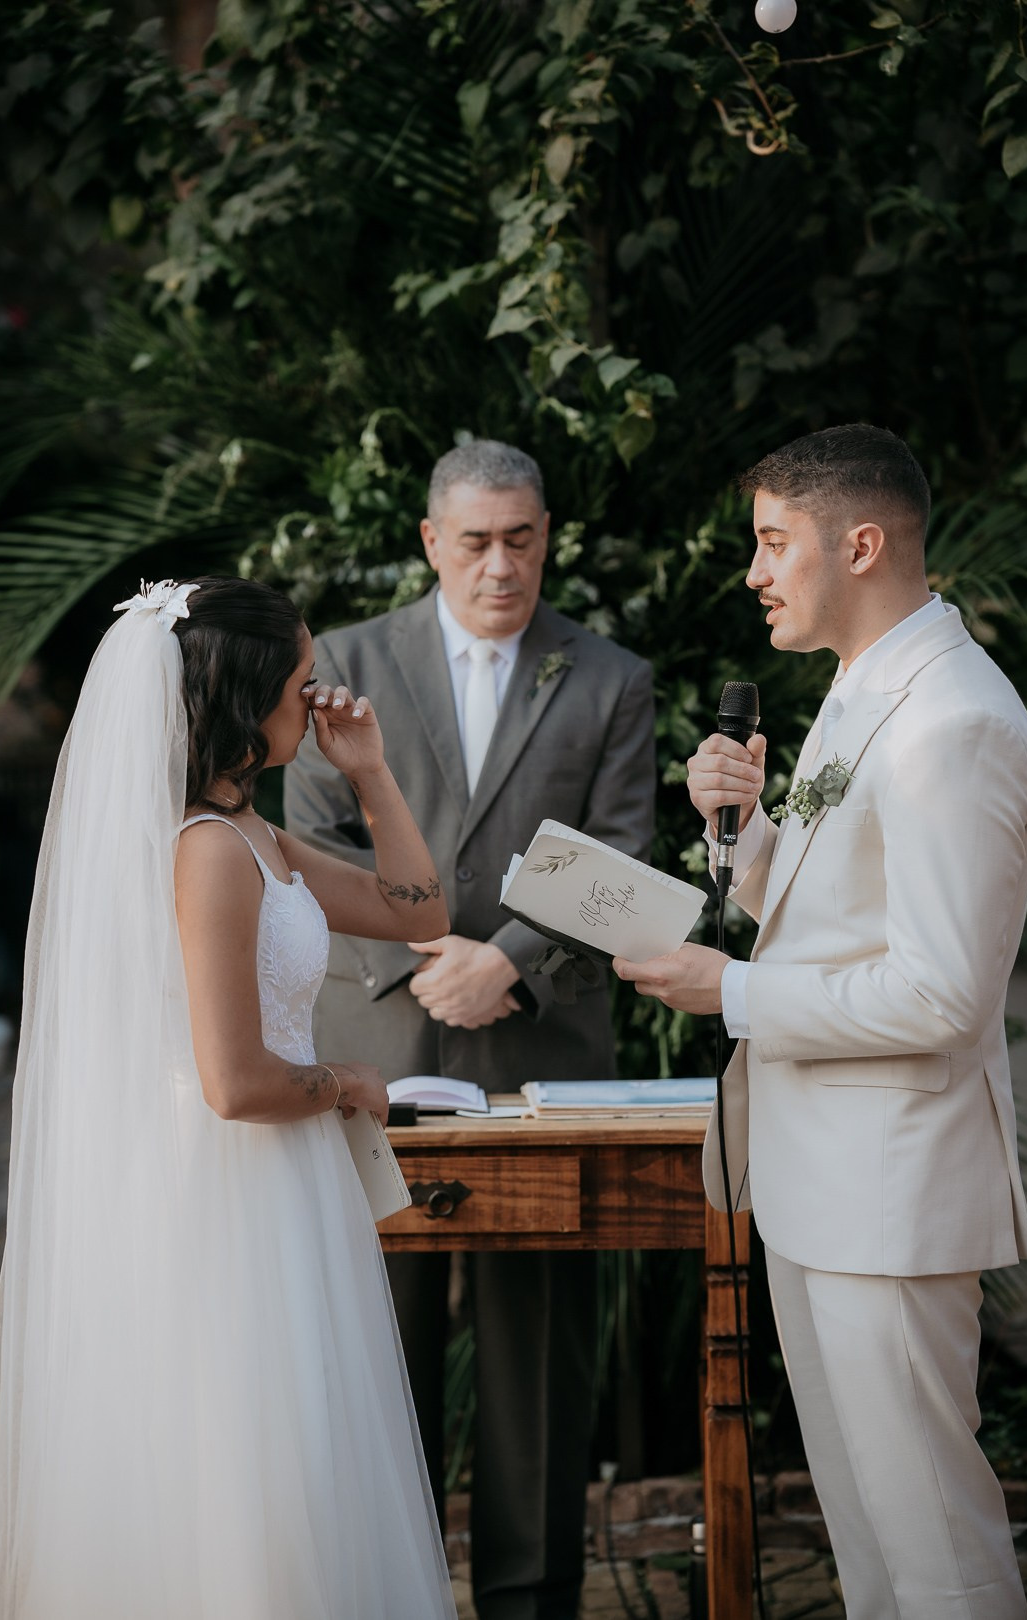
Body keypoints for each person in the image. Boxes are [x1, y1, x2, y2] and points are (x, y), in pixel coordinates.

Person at [614, 425, 1027, 1619]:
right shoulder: (860, 693)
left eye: (771, 543)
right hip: (818, 1181)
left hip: (892, 1197)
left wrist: (730, 991)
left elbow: (942, 992)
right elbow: (829, 914)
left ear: (859, 544)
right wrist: (739, 838)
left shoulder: (952, 722)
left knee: (934, 1550)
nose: (754, 572)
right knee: (864, 1536)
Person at [0, 576, 458, 1620]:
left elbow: (418, 906)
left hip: (284, 1183)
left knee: (301, 1461)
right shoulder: (205, 855)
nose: (318, 700)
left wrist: (373, 775)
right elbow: (236, 1082)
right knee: (249, 1467)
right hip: (223, 1194)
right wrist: (348, 1081)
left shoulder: (253, 835)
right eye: (301, 684)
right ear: (245, 704)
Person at [284, 439, 656, 1620]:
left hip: (538, 1054)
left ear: (548, 535)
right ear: (432, 542)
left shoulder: (609, 678)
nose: (502, 564)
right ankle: (376, 1593)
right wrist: (422, 962)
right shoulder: (340, 662)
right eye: (478, 541)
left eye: (524, 538)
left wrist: (511, 961)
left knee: (535, 1355)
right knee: (366, 1345)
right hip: (374, 1058)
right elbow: (307, 846)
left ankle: (531, 1599)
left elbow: (623, 856)